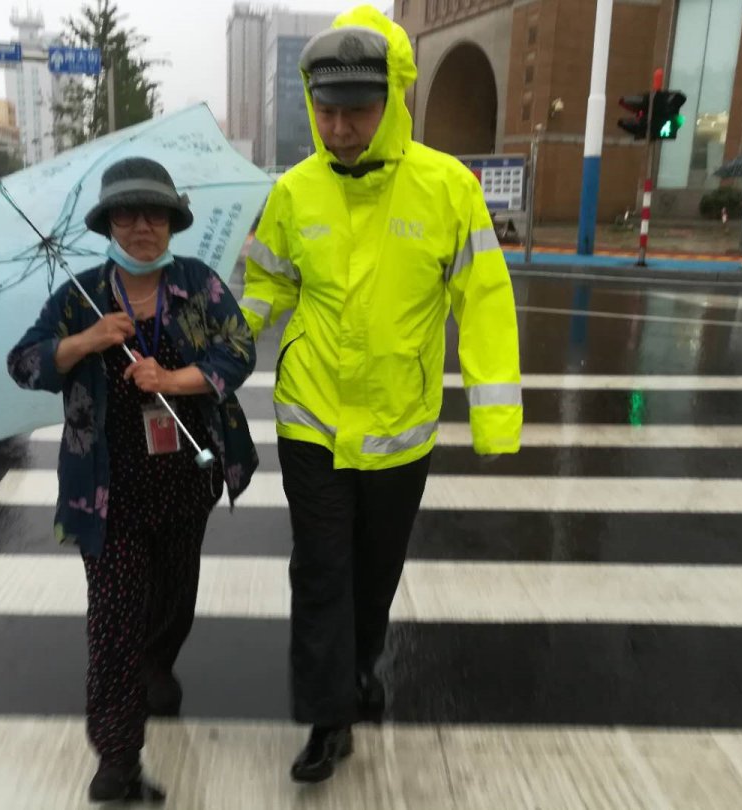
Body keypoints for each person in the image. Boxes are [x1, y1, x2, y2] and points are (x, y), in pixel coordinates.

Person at [240, 5, 522, 784]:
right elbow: (266, 282)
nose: (338, 129)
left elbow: (486, 296)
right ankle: (328, 717)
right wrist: (218, 345)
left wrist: (496, 417)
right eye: (325, 111)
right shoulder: (294, 193)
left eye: (356, 111)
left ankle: (362, 664)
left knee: (375, 570)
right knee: (322, 570)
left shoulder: (446, 189)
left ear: (392, 100)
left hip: (401, 426)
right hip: (312, 420)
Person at [7, 157, 258, 803]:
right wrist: (85, 340)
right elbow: (25, 363)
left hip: (186, 480)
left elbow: (238, 350)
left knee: (173, 601)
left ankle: (158, 660)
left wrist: (172, 380)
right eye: (127, 213)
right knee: (113, 622)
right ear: (109, 223)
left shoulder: (197, 285)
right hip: (108, 492)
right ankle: (116, 759)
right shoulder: (80, 296)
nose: (142, 226)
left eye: (154, 213)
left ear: (172, 221)